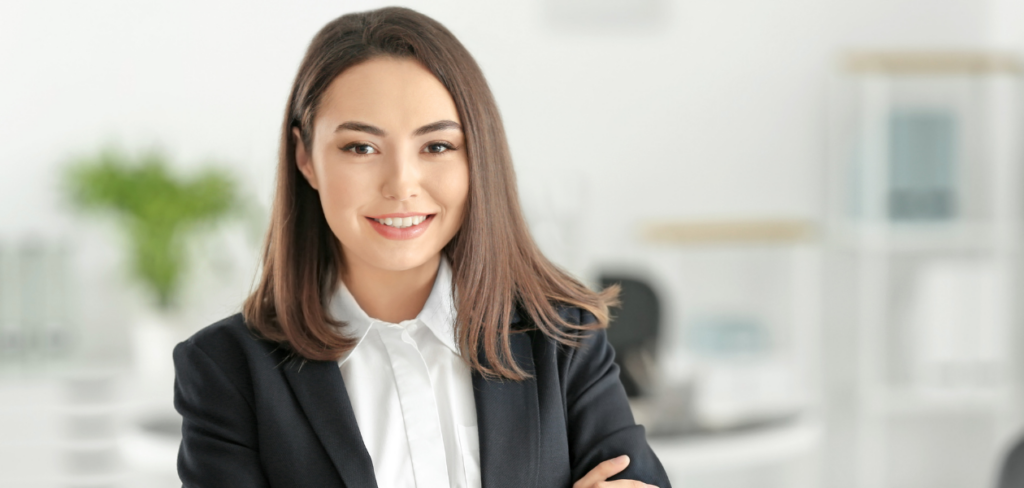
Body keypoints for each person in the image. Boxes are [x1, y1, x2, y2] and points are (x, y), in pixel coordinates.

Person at [172, 6, 670, 488]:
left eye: (437, 146)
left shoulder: (561, 337)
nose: (402, 184)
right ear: (305, 157)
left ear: (477, 156)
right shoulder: (225, 372)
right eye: (361, 148)